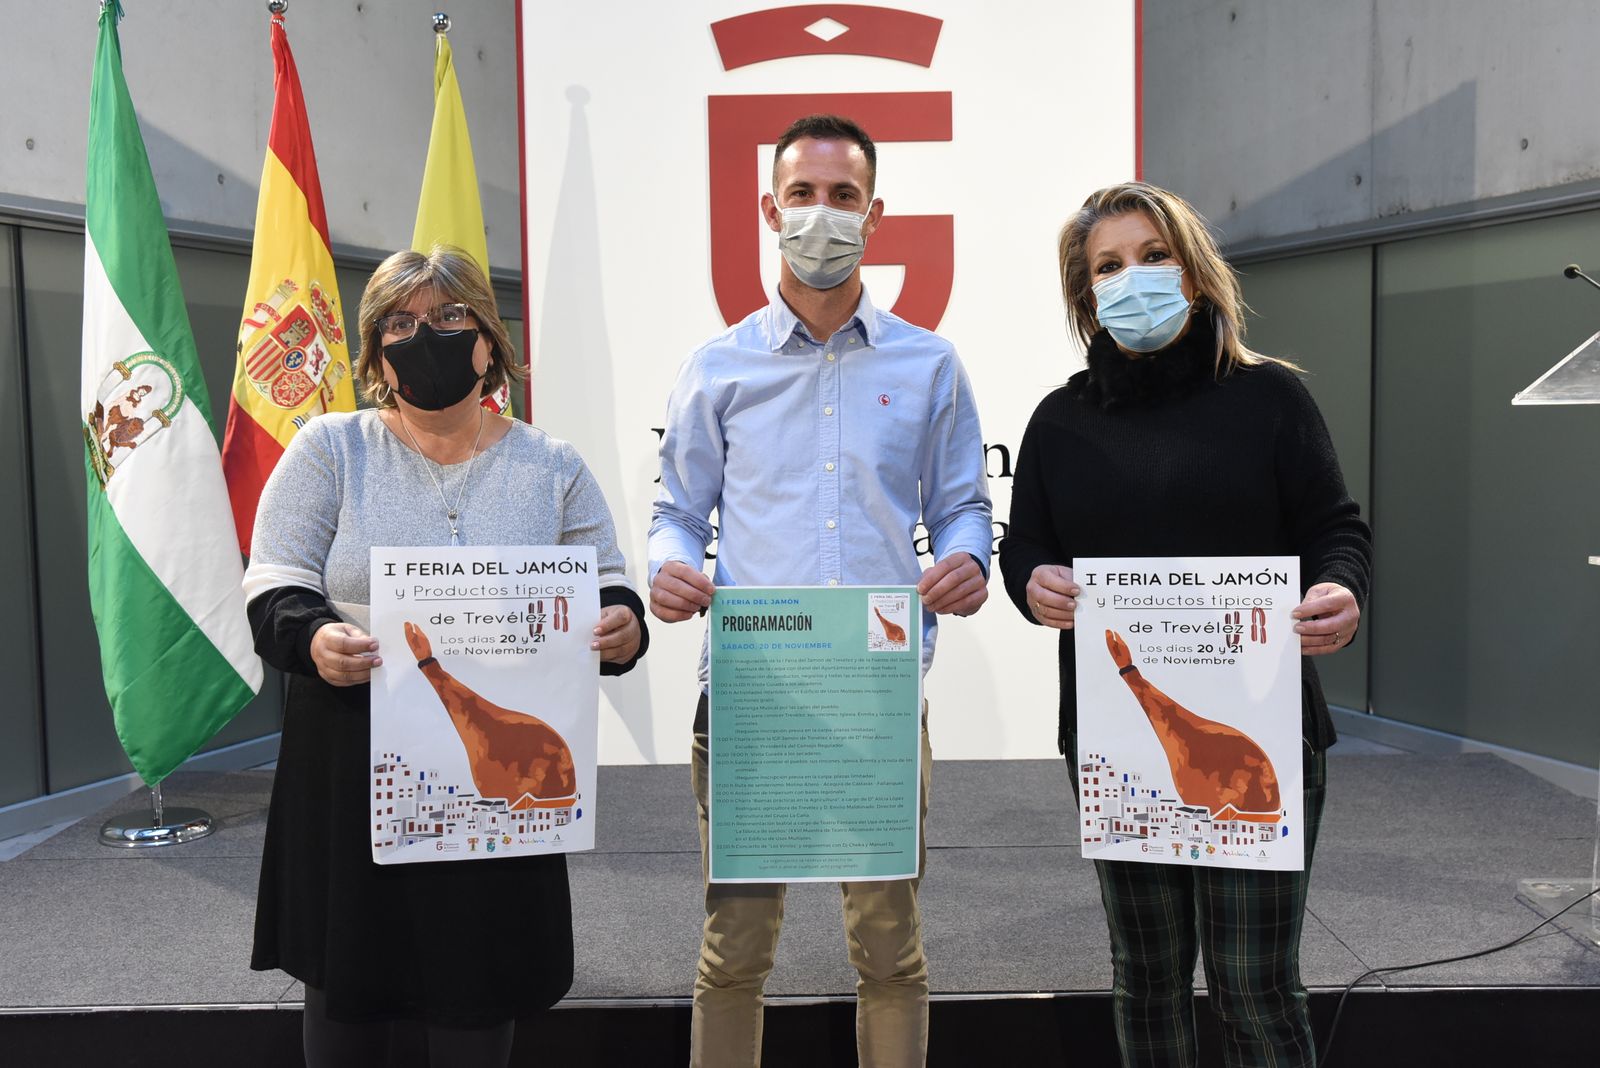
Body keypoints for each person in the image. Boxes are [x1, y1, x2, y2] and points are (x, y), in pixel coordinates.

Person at [244, 246, 648, 1067]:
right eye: (401, 323)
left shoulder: (553, 465)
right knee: (346, 997)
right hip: (353, 759)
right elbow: (274, 582)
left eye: (450, 318)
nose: (423, 336)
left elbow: (608, 588)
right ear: (375, 350)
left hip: (498, 767)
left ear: (491, 344)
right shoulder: (330, 448)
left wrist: (622, 627)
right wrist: (314, 637)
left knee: (477, 990)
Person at [998, 182, 1372, 1068]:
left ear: (1196, 276)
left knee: (1255, 983)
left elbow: (1334, 528)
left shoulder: (1270, 399)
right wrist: (1033, 585)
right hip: (1118, 741)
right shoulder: (1059, 420)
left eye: (1154, 256)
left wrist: (1341, 590)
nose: (1135, 278)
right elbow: (1029, 550)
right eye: (1109, 266)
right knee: (1149, 975)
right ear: (1087, 296)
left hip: (1264, 732)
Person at [648, 114, 993, 1068]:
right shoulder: (719, 367)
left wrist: (971, 558)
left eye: (844, 198)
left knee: (891, 953)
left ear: (875, 215)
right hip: (755, 696)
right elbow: (677, 510)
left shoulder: (929, 364)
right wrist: (669, 569)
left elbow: (964, 506)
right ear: (770, 209)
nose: (822, 216)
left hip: (877, 696)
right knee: (734, 955)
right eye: (803, 195)